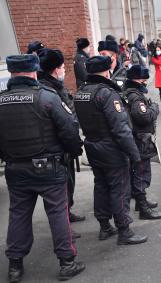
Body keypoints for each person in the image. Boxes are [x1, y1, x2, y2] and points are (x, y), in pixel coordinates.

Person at [0, 54, 85, 282]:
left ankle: (15, 266)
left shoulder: (1, 100)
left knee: (18, 214)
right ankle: (67, 262)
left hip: (15, 169)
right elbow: (69, 130)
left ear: (12, 73)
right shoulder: (47, 98)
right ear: (34, 70)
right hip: (49, 168)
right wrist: (73, 152)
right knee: (58, 213)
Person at [74, 56, 147, 245]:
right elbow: (120, 128)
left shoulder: (81, 91)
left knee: (101, 186)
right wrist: (134, 153)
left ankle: (104, 226)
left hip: (92, 145)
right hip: (111, 148)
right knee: (120, 188)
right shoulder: (107, 93)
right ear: (107, 70)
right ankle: (125, 231)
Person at [37, 49, 86, 226]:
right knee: (62, 187)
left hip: (63, 146)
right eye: (63, 67)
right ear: (56, 70)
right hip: (60, 147)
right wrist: (74, 146)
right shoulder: (50, 89)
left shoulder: (53, 86)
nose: (65, 70)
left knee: (68, 184)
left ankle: (68, 211)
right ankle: (64, 221)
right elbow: (64, 121)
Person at [122, 65, 161, 220]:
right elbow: (144, 117)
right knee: (141, 173)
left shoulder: (129, 93)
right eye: (143, 79)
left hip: (136, 138)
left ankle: (141, 202)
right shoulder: (135, 96)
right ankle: (143, 209)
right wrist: (154, 108)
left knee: (138, 172)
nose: (146, 81)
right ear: (137, 79)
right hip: (140, 139)